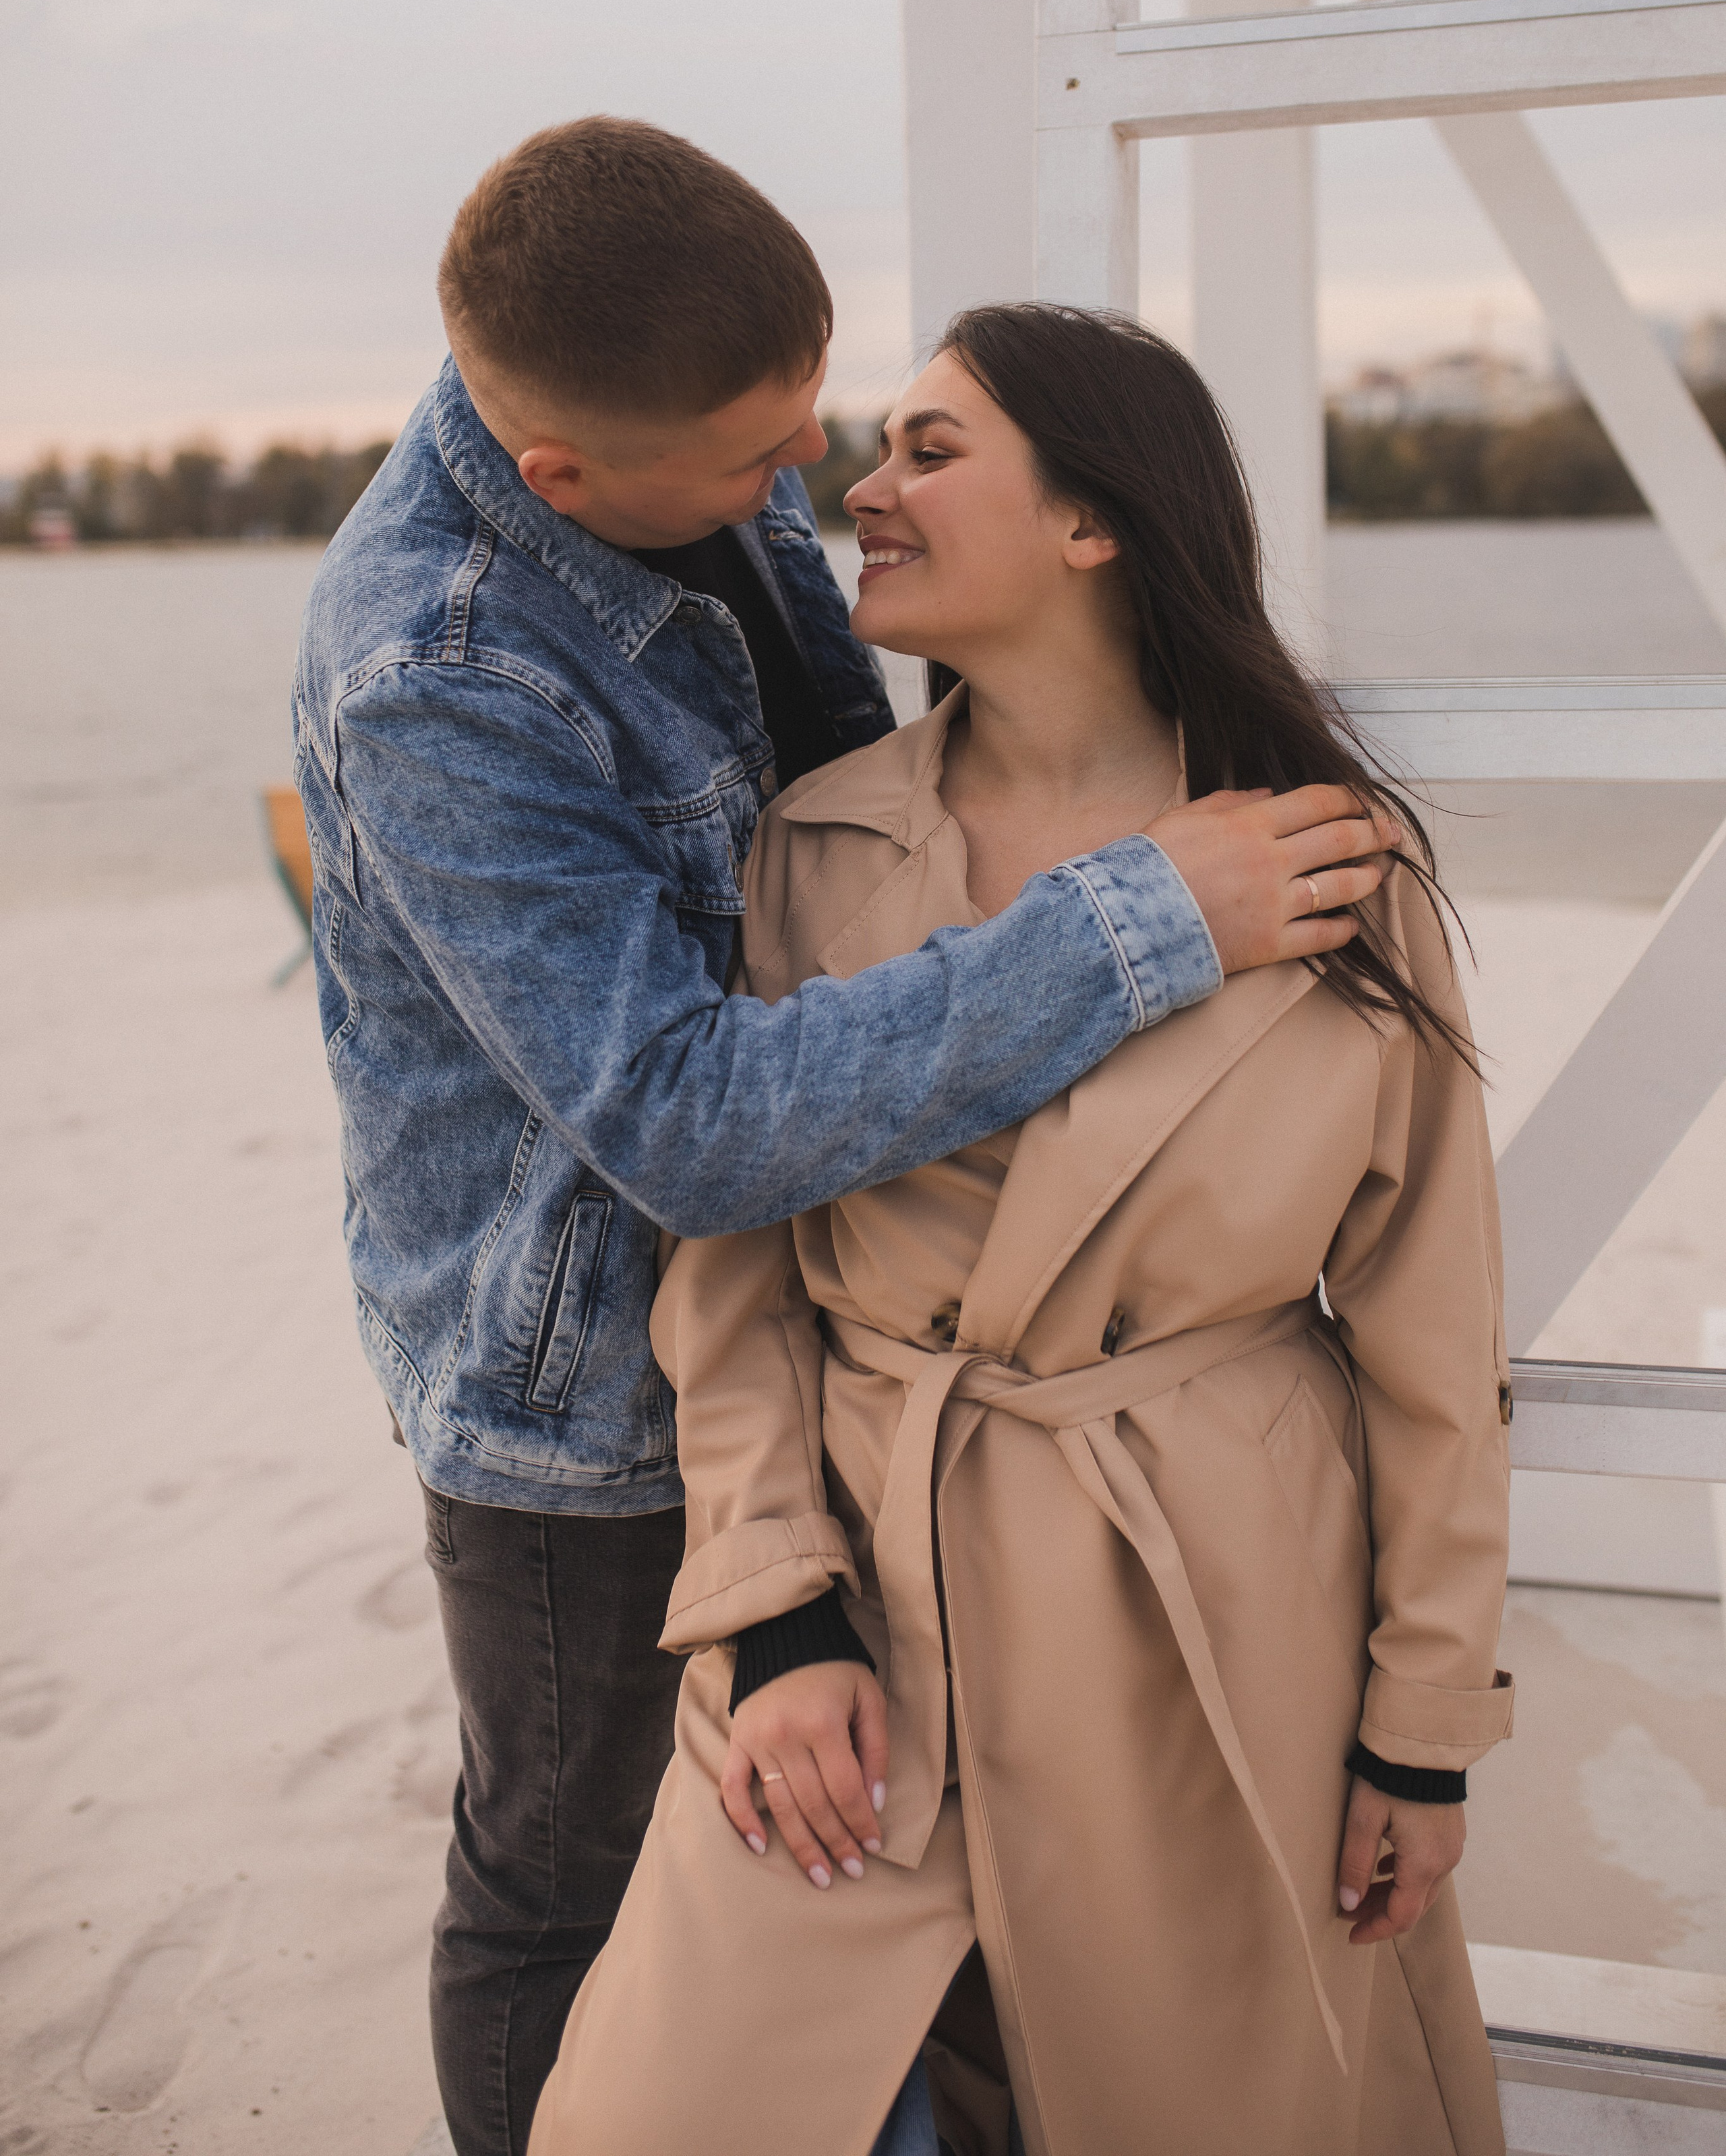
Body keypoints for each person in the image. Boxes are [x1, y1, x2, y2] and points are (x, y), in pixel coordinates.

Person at [294, 123, 1395, 2156]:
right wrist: (1147, 911)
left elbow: (848, 849)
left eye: (836, 427)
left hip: (861, 1385)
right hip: (592, 1416)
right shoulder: (435, 673)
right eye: (761, 466)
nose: (816, 492)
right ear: (562, 480)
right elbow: (695, 1123)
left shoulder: (691, 456)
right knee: (572, 1897)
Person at [527, 304, 1515, 2156]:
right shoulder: (810, 847)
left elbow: (1431, 1332)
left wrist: (1424, 1723)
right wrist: (770, 1612)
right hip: (867, 1617)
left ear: (1096, 520)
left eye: (928, 448)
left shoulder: (1328, 864)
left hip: (1213, 1615)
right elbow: (730, 1296)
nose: (860, 489)